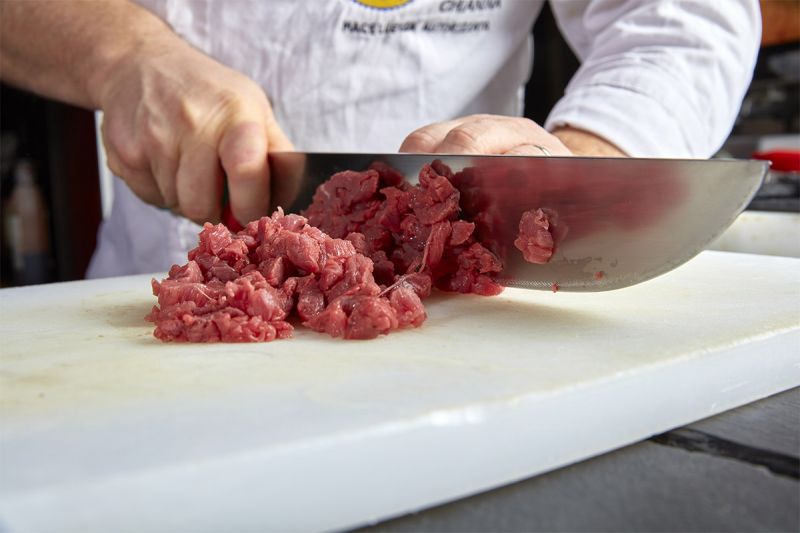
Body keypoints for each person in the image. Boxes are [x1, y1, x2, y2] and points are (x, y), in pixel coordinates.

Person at [0, 0, 761, 277]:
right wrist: (124, 56)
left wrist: (579, 172)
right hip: (164, 277)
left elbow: (681, 18)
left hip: (461, 301)